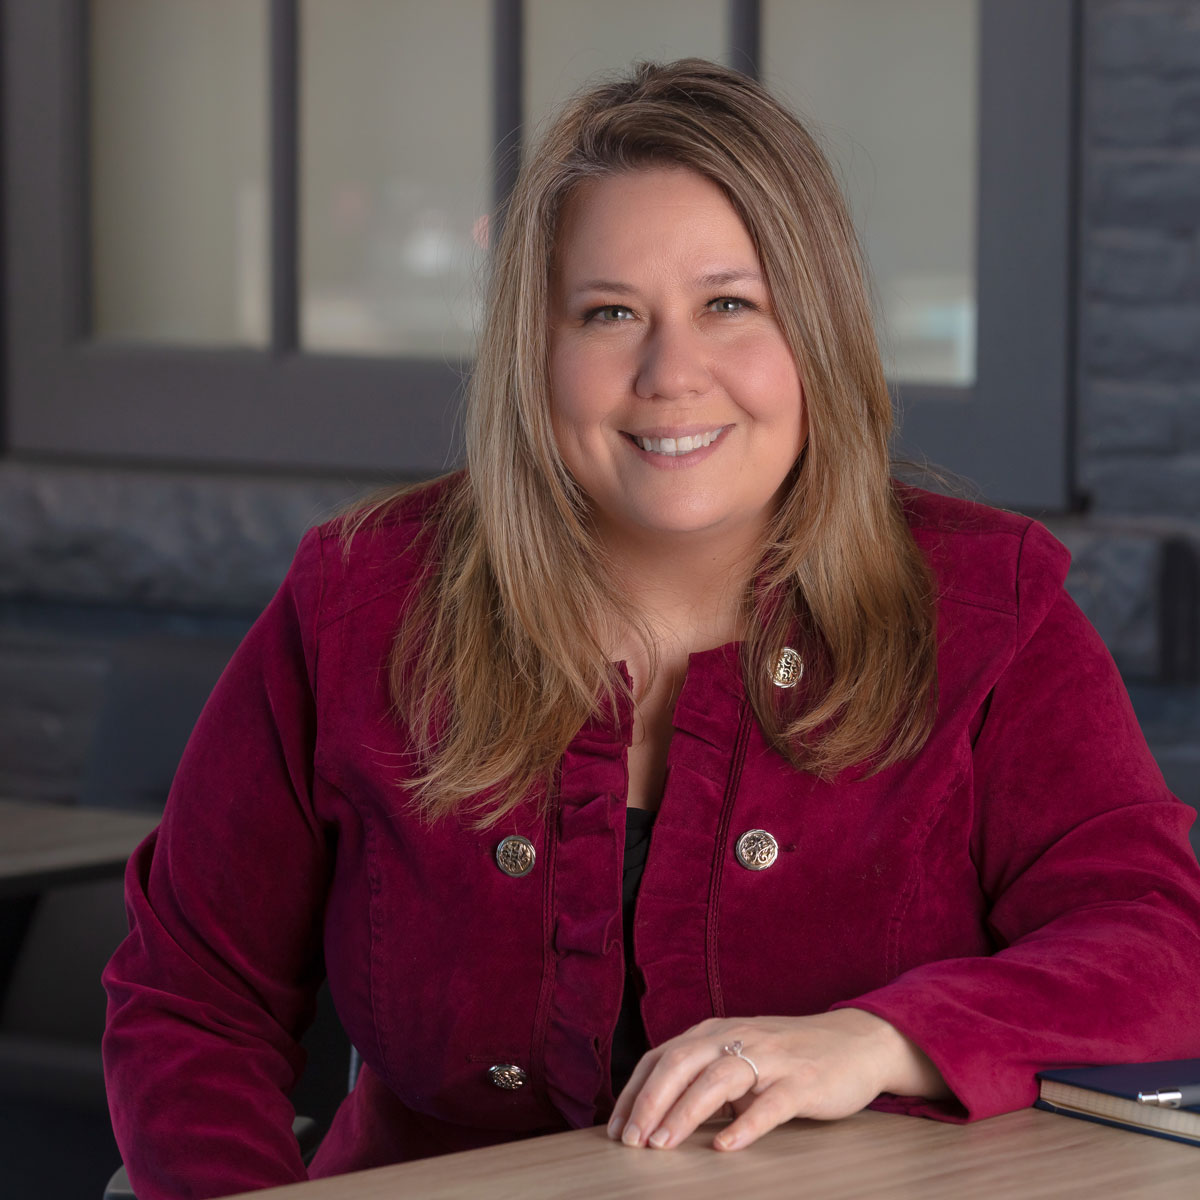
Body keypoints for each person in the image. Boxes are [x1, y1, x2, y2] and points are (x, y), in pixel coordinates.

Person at [103, 58, 1200, 1197]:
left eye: (730, 305)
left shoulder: (987, 604)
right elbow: (190, 998)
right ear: (538, 352)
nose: (672, 374)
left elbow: (1157, 945)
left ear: (815, 332)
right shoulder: (362, 600)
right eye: (609, 313)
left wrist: (880, 1040)